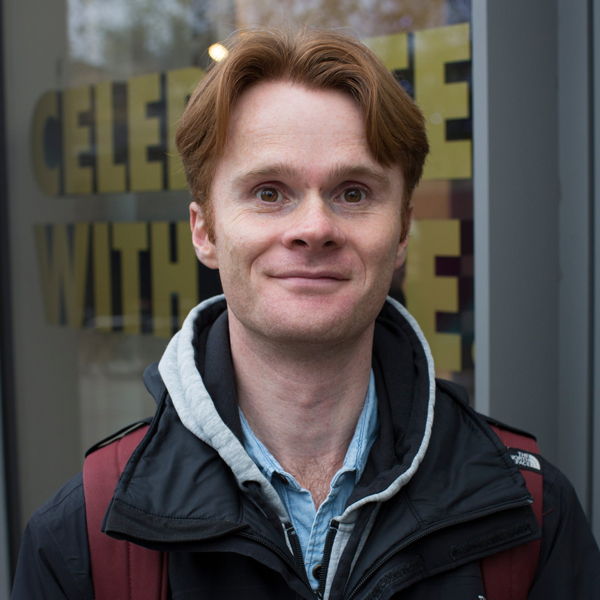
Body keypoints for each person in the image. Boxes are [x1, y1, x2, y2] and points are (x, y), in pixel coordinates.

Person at [12, 27, 600, 599]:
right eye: (269, 192)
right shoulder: (86, 537)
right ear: (205, 231)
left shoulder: (530, 511)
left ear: (401, 233)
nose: (314, 228)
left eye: (353, 193)